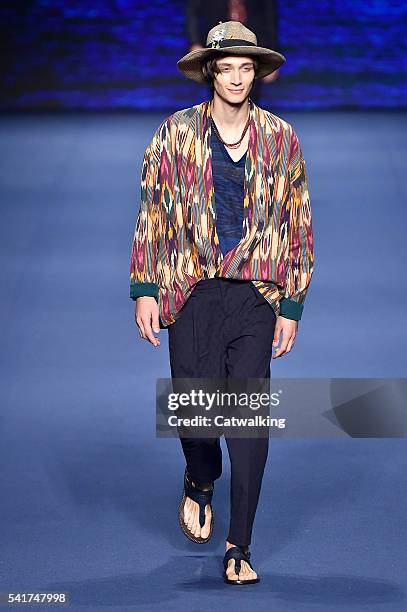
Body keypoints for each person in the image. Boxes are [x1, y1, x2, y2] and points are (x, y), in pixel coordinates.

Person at [129, 21, 314, 585]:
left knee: (248, 426)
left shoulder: (281, 138)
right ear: (211, 71)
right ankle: (199, 476)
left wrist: (292, 304)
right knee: (195, 412)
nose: (236, 77)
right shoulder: (173, 134)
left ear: (257, 73)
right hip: (192, 290)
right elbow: (151, 213)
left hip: (257, 293)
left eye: (245, 67)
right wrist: (144, 288)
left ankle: (240, 545)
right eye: (226, 67)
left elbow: (298, 219)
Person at [185, 0, 281, 103]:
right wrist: (194, 41)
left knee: (251, 94)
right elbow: (192, 11)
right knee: (218, 90)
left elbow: (270, 17)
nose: (236, 80)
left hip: (253, 44)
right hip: (217, 42)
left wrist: (271, 52)